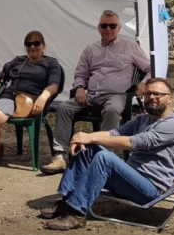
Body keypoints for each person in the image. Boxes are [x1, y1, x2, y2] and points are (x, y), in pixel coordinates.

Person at [40, 78, 174, 230]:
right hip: (130, 179)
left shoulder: (172, 124)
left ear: (170, 99)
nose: (152, 97)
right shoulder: (143, 119)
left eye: (157, 94)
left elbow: (133, 142)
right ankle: (67, 201)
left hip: (149, 189)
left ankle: (77, 213)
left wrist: (90, 138)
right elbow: (114, 133)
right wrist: (84, 137)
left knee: (104, 158)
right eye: (148, 94)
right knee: (88, 149)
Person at [40, 10, 151, 175]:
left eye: (112, 26)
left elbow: (149, 68)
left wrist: (143, 83)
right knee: (64, 108)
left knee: (112, 110)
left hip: (115, 95)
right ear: (98, 28)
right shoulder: (90, 49)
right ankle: (61, 156)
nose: (108, 29)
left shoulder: (130, 47)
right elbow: (81, 73)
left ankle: (103, 157)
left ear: (119, 28)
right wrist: (79, 88)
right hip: (91, 95)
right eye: (104, 26)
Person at [0, 31, 63, 166]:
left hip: (33, 99)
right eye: (28, 44)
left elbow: (54, 85)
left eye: (36, 43)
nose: (32, 47)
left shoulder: (51, 63)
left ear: (43, 46)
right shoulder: (18, 60)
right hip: (9, 96)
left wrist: (43, 97)